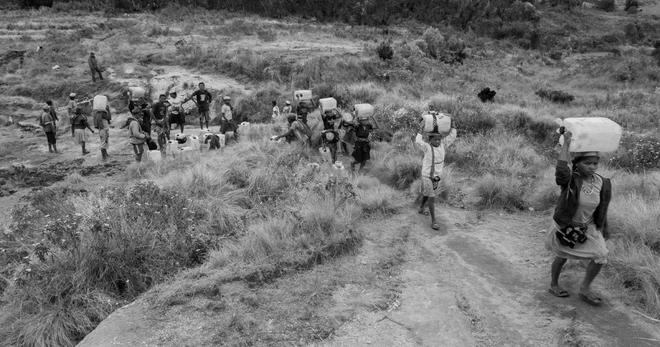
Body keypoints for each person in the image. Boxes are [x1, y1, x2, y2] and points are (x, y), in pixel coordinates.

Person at [546, 131, 611, 306]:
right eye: (587, 163)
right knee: (561, 256)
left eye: (595, 163)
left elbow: (603, 207)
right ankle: (553, 284)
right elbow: (561, 170)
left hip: (588, 226)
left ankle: (584, 288)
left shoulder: (603, 182)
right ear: (577, 164)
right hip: (566, 226)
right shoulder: (571, 180)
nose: (592, 167)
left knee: (601, 255)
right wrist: (566, 143)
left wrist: (603, 228)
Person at [415, 126, 457, 231]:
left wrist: (453, 127)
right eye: (435, 139)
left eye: (439, 139)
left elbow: (452, 137)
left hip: (437, 176)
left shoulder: (443, 145)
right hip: (427, 176)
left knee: (427, 193)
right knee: (432, 197)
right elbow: (418, 141)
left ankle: (421, 208)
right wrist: (421, 129)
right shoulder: (427, 147)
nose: (438, 141)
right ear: (430, 140)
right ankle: (434, 221)